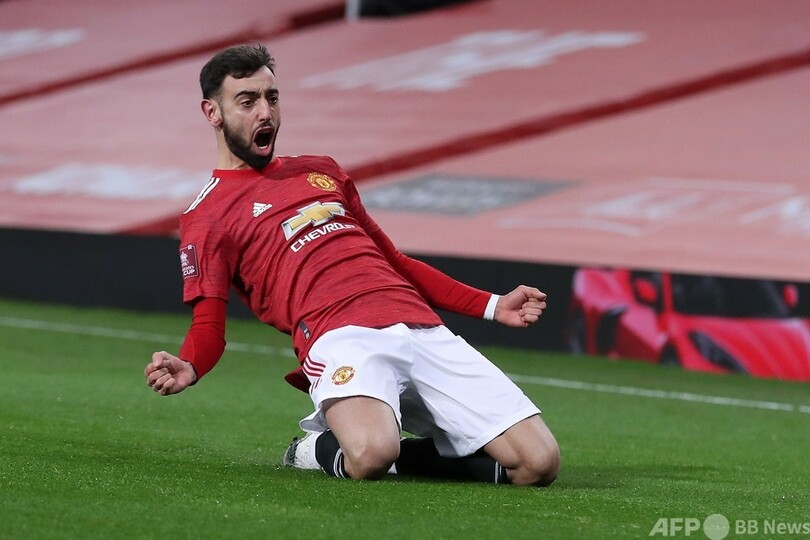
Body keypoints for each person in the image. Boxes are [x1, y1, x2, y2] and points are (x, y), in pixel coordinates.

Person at [144, 43, 560, 486]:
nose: (265, 112)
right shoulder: (206, 216)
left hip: (419, 327)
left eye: (272, 98)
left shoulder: (322, 170)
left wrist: (493, 305)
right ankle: (314, 449)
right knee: (370, 455)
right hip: (339, 336)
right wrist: (191, 365)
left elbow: (395, 262)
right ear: (212, 112)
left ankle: (421, 455)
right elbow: (209, 322)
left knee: (538, 463)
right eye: (247, 102)